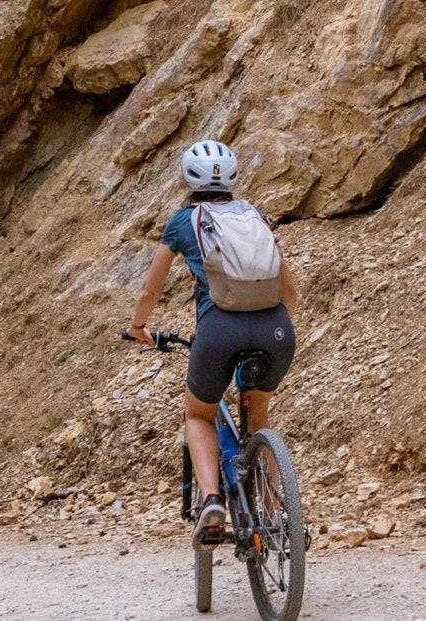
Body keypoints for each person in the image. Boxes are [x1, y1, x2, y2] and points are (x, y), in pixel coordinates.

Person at [125, 139, 298, 539]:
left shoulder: (183, 222)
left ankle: (212, 502)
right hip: (275, 331)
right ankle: (273, 518)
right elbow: (291, 292)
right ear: (233, 177)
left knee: (198, 415)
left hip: (219, 330)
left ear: (187, 178)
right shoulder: (256, 216)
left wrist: (138, 328)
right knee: (258, 420)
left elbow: (150, 291)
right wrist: (275, 327)